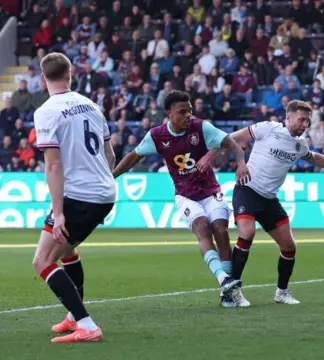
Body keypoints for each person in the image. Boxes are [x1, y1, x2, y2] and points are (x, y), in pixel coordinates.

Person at [112, 90, 249, 307]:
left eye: (190, 111)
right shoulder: (157, 136)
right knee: (202, 227)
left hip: (211, 191)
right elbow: (133, 156)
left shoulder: (201, 127)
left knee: (221, 230)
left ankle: (227, 292)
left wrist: (240, 163)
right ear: (169, 114)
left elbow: (231, 143)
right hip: (185, 196)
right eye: (182, 112)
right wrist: (112, 177)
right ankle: (225, 280)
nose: (188, 116)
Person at [228, 100, 324, 306]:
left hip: (269, 199)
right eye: (301, 120)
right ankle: (232, 290)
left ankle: (281, 292)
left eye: (308, 121)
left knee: (289, 246)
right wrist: (239, 163)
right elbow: (232, 139)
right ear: (288, 117)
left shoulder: (300, 144)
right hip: (247, 189)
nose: (305, 125)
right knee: (247, 233)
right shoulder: (267, 128)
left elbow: (315, 158)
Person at [32, 52, 117, 343]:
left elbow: (53, 166)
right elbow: (110, 154)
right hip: (103, 191)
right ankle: (73, 317)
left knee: (42, 260)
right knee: (66, 251)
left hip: (79, 196)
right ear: (71, 73)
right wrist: (103, 194)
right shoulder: (92, 105)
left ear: (43, 78)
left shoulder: (46, 111)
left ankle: (87, 325)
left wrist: (58, 213)